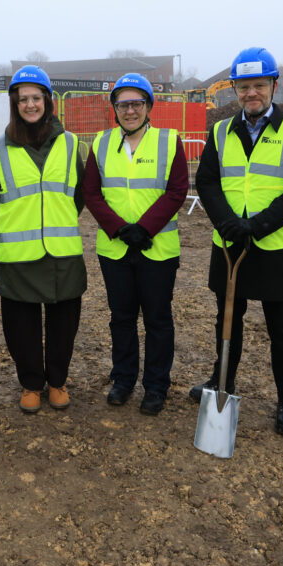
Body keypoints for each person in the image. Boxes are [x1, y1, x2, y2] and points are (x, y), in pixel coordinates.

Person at [190, 47, 283, 437]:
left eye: (259, 85)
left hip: (274, 246)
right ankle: (221, 382)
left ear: (273, 85)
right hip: (229, 244)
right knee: (228, 319)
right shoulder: (220, 131)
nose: (251, 94)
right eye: (244, 87)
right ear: (234, 89)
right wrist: (228, 223)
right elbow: (208, 182)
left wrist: (257, 226)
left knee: (281, 325)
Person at [0, 65, 86, 412]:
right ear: (15, 104)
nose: (29, 105)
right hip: (19, 254)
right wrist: (14, 223)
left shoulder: (70, 144)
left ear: (47, 101)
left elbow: (81, 193)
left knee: (63, 323)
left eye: (35, 98)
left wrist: (57, 218)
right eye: (22, 99)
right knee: (20, 326)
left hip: (62, 250)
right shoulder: (0, 148)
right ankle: (30, 383)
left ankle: (56, 381)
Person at [83, 73, 189, 415]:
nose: (130, 111)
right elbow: (92, 193)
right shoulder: (100, 143)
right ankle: (124, 379)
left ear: (148, 107)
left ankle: (156, 386)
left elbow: (177, 191)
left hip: (156, 249)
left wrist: (144, 229)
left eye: (136, 104)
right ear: (114, 108)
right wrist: (119, 229)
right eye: (123, 104)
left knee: (158, 320)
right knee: (122, 318)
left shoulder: (170, 141)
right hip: (115, 250)